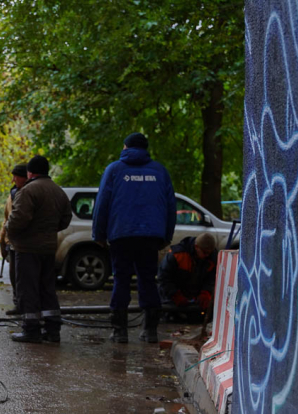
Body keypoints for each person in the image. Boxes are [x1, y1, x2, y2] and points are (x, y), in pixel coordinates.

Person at [93, 132, 176, 344]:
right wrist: (166, 235)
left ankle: (119, 331)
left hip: (121, 234)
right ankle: (150, 331)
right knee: (148, 279)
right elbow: (170, 206)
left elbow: (102, 203)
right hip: (150, 236)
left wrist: (99, 234)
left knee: (121, 279)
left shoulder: (114, 170)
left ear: (126, 147)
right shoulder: (159, 171)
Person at [7, 155, 72, 343]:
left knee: (28, 289)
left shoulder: (28, 191)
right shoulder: (58, 191)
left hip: (27, 249)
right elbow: (65, 219)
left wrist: (11, 232)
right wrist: (48, 231)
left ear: (30, 172)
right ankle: (53, 330)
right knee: (47, 289)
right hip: (48, 247)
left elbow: (18, 219)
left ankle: (31, 330)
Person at [158, 233, 217, 312]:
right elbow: (164, 278)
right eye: (205, 252)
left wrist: (206, 292)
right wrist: (175, 295)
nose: (207, 255)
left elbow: (212, 279)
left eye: (209, 253)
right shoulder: (177, 255)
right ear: (196, 247)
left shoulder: (213, 258)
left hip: (195, 296)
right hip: (173, 296)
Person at [0, 164, 28, 315]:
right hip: (12, 242)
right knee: (14, 275)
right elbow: (6, 219)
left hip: (25, 243)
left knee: (23, 277)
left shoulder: (28, 194)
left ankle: (26, 307)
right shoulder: (12, 195)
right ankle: (18, 303)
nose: (13, 179)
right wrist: (2, 240)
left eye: (16, 176)